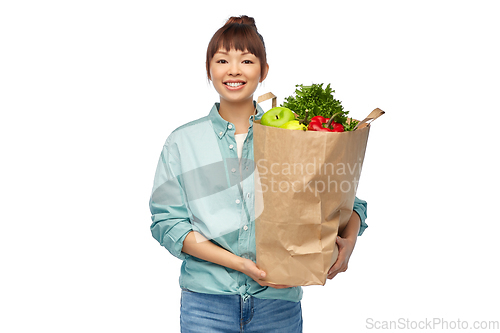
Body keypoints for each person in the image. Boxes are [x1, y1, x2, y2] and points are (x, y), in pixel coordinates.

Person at [149, 15, 368, 333]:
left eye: (246, 60)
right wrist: (238, 264)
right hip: (206, 305)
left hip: (278, 305)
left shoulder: (293, 137)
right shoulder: (182, 142)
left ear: (263, 70)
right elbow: (168, 224)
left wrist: (349, 241)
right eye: (222, 59)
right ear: (209, 68)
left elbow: (345, 201)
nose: (233, 70)